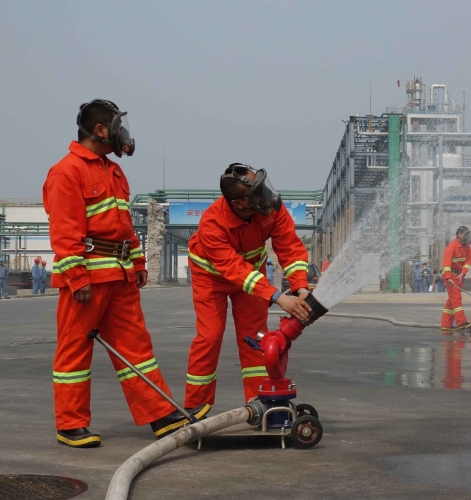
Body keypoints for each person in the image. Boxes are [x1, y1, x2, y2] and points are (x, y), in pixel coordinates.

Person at [44, 99, 205, 448]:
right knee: (74, 352)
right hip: (88, 280)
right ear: (100, 130)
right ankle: (70, 425)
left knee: (137, 348)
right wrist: (76, 277)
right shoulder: (66, 171)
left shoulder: (113, 171)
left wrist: (139, 263)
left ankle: (160, 414)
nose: (124, 135)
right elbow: (65, 230)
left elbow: (125, 228)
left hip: (120, 278)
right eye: (118, 127)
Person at [184, 163, 312, 412]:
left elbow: (289, 247)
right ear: (238, 204)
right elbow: (234, 269)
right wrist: (277, 297)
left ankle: (259, 401)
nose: (265, 194)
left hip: (252, 272)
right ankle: (196, 405)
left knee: (256, 338)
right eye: (256, 191)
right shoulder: (212, 224)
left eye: (262, 185)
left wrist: (301, 288)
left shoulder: (270, 208)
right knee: (209, 337)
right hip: (211, 278)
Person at [441, 226, 471, 329]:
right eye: (465, 233)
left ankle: (446, 324)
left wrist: (463, 273)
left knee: (451, 301)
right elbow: (446, 265)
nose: (467, 236)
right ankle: (461, 322)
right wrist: (449, 278)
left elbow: (468, 261)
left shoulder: (467, 247)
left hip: (459, 276)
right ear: (459, 234)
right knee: (456, 299)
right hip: (451, 277)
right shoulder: (451, 247)